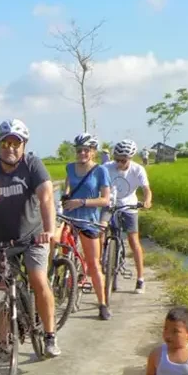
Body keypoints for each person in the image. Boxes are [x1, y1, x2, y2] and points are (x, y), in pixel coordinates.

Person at [0, 119, 61, 361]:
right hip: (1, 239)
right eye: (5, 142)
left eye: (15, 143)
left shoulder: (33, 165)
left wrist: (49, 231)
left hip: (33, 236)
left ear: (23, 145)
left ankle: (50, 335)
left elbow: (46, 198)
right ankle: (1, 346)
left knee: (37, 278)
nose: (10, 148)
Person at [60, 133, 112, 320]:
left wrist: (81, 202)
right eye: (78, 150)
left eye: (85, 150)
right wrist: (66, 196)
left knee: (93, 263)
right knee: (58, 251)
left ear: (93, 152)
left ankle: (102, 303)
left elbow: (105, 199)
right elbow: (67, 186)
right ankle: (62, 284)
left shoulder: (100, 171)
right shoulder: (70, 168)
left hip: (89, 221)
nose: (81, 153)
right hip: (68, 218)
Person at [100, 139, 153, 294]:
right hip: (110, 205)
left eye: (123, 160)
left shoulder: (138, 170)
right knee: (101, 231)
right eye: (117, 159)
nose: (119, 163)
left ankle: (140, 278)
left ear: (130, 158)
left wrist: (147, 201)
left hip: (129, 206)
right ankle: (102, 260)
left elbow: (146, 189)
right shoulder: (106, 167)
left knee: (133, 240)